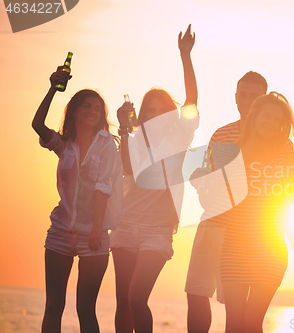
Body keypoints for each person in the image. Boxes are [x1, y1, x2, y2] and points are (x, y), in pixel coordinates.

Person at [110, 25, 198, 333]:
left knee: (137, 298)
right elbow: (128, 171)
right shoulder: (134, 140)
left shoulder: (180, 139)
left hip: (157, 232)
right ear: (143, 115)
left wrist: (185, 55)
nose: (157, 115)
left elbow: (191, 99)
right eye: (151, 110)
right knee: (123, 302)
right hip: (125, 225)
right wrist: (124, 126)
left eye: (163, 110)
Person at [32, 70, 122, 333]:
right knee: (54, 305)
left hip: (94, 234)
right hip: (60, 230)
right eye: (86, 106)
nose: (92, 111)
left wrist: (96, 228)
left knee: (85, 308)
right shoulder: (64, 144)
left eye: (97, 108)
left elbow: (103, 187)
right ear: (73, 111)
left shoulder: (107, 145)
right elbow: (37, 125)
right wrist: (52, 89)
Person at [184, 71, 272, 333]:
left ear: (264, 99)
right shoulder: (222, 133)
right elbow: (205, 177)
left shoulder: (271, 137)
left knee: (236, 307)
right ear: (235, 97)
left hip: (242, 232)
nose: (247, 101)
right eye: (242, 95)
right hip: (210, 221)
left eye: (254, 96)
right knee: (196, 293)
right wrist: (200, 180)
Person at [216, 92, 294, 333]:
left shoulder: (283, 149)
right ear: (254, 116)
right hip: (233, 246)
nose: (270, 122)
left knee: (251, 323)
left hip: (270, 248)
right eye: (266, 115)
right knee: (234, 324)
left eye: (277, 120)